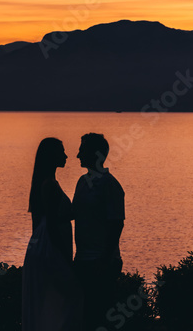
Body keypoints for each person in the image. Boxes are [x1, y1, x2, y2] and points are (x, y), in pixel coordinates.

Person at [22, 137, 82, 331]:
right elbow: (53, 225)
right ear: (51, 156)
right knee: (66, 297)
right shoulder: (49, 185)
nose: (66, 156)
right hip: (51, 246)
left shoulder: (48, 182)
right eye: (61, 152)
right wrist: (66, 257)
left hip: (45, 244)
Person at [72, 133, 125, 331]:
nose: (78, 155)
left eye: (82, 150)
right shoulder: (81, 182)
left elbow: (117, 224)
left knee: (99, 318)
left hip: (101, 263)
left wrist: (104, 261)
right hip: (83, 260)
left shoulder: (109, 185)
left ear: (95, 154)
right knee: (84, 317)